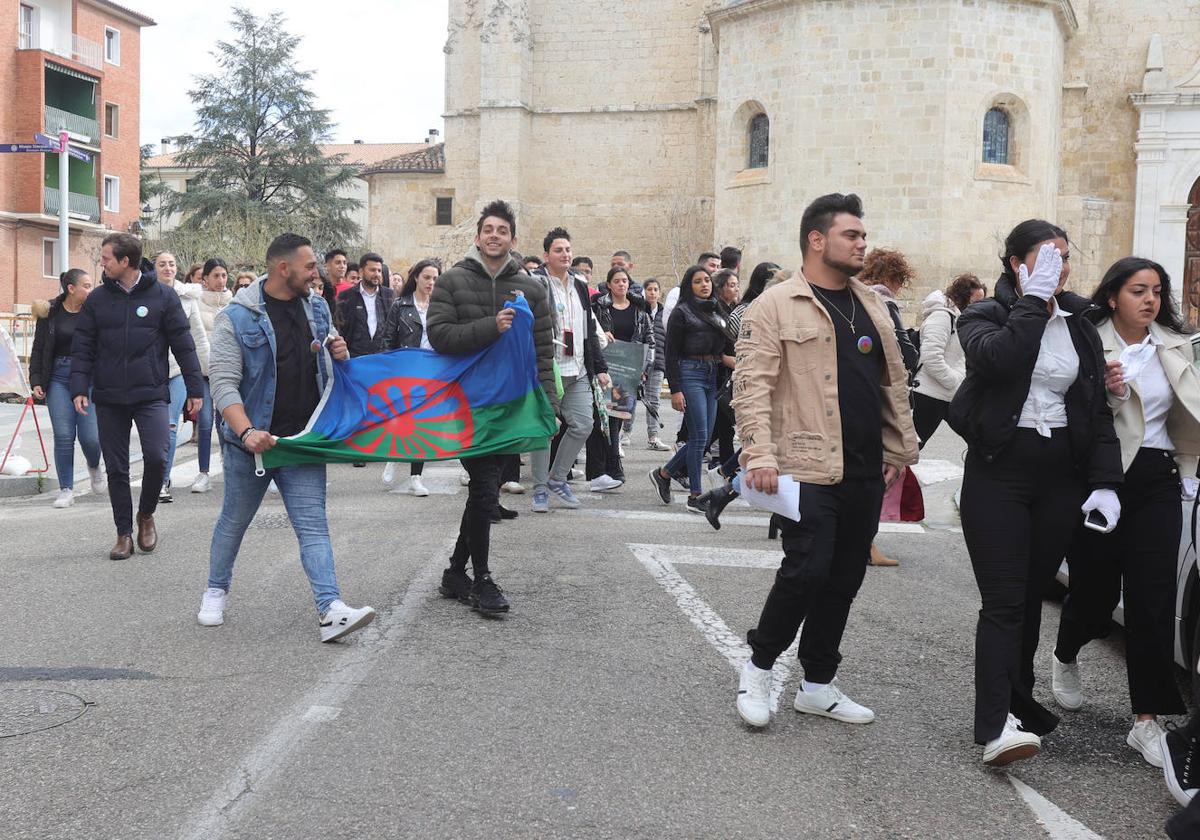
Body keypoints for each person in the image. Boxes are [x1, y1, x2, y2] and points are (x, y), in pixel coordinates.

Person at [729, 194, 917, 731]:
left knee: (844, 577)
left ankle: (817, 684)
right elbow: (751, 386)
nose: (863, 243)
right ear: (817, 240)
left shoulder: (873, 305)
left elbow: (889, 383)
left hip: (863, 466)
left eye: (863, 235)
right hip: (804, 464)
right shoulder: (776, 305)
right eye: (852, 235)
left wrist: (896, 449)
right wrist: (758, 453)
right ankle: (759, 667)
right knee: (806, 571)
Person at [948, 219, 1123, 766]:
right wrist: (1035, 299)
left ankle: (1017, 706)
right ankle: (996, 723)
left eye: (1064, 258)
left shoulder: (1081, 326)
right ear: (1014, 264)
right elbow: (999, 360)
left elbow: (1094, 413)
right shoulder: (987, 314)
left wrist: (1106, 484)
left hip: (1059, 480)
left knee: (1027, 600)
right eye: (1046, 258)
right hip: (999, 472)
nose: (1059, 267)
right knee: (1002, 602)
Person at [1050, 257, 1200, 767]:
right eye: (1139, 290)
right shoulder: (1087, 340)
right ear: (1113, 296)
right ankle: (1065, 652)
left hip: (1156, 478)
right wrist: (1111, 394)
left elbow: (1185, 413)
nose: (1150, 300)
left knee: (1152, 598)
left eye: (1157, 291)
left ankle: (1147, 720)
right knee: (1092, 593)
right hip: (1102, 477)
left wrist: (1189, 471)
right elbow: (1075, 413)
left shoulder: (1172, 345)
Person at [202, 232, 376, 641]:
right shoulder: (236, 317)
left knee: (313, 525)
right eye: (310, 266)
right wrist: (246, 432)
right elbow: (224, 384)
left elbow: (330, 372)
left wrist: (341, 356)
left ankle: (331, 608)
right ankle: (215, 589)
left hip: (300, 441)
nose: (317, 273)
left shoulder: (317, 308)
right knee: (234, 520)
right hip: (251, 443)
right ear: (284, 269)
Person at [426, 200, 556, 614]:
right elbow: (440, 335)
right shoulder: (452, 281)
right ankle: (481, 580)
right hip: (466, 401)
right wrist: (491, 326)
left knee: (485, 490)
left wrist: (548, 405)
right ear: (478, 237)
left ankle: (453, 572)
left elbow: (543, 353)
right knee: (484, 486)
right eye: (488, 229)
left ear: (513, 239)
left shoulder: (533, 289)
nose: (495, 235)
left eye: (502, 230)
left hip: (510, 404)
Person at [70, 233, 203, 560]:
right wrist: (78, 387)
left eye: (106, 258)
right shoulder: (98, 300)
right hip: (110, 395)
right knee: (116, 468)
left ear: (125, 261)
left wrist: (195, 388)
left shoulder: (162, 296)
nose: (102, 263)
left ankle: (146, 514)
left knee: (157, 457)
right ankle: (123, 534)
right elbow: (83, 346)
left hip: (151, 393)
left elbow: (183, 344)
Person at [529, 227, 611, 513]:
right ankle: (539, 489)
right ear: (546, 256)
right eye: (558, 250)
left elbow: (589, 327)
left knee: (583, 424)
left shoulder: (578, 284)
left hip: (577, 368)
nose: (565, 255)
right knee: (545, 429)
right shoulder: (536, 282)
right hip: (547, 369)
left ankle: (557, 478)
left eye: (568, 250)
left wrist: (599, 366)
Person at [648, 264, 734, 514]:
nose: (704, 284)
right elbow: (671, 352)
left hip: (712, 375)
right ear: (689, 285)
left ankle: (664, 473)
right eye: (698, 281)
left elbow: (725, 344)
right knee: (698, 437)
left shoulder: (717, 310)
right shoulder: (682, 312)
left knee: (704, 438)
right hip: (690, 372)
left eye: (707, 280)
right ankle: (695, 495)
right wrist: (675, 389)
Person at [857, 248, 921, 567]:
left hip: (855, 398)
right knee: (880, 472)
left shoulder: (853, 297)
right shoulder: (884, 300)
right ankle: (865, 543)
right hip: (879, 401)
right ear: (894, 277)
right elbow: (907, 355)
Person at [29, 269, 105, 508]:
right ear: (71, 289)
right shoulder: (49, 312)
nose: (90, 290)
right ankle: (66, 489)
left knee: (90, 437)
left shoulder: (95, 312)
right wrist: (36, 379)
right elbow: (39, 348)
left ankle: (94, 466)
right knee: (63, 436)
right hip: (58, 379)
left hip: (89, 378)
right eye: (86, 285)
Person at [590, 266, 655, 491]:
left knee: (617, 420)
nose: (621, 284)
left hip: (628, 371)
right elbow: (591, 334)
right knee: (601, 420)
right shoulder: (599, 308)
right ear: (609, 284)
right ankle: (603, 469)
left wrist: (644, 367)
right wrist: (601, 336)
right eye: (616, 281)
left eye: (624, 281)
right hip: (605, 370)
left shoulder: (639, 309)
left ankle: (614, 466)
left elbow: (650, 340)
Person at [380, 258, 441, 496]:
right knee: (402, 418)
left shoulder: (440, 306)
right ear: (416, 277)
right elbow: (387, 339)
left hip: (433, 371)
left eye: (435, 278)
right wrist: (387, 368)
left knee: (422, 423)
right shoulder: (401, 305)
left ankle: (416, 476)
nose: (431, 283)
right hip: (406, 369)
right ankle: (394, 456)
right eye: (427, 277)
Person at [155, 251, 211, 502]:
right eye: (162, 264)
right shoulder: (146, 294)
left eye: (172, 263)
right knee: (154, 429)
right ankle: (154, 473)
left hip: (177, 370)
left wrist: (208, 369)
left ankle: (162, 481)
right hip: (151, 370)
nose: (168, 268)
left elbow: (198, 337)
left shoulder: (188, 297)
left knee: (170, 425)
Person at [911, 273, 987, 446]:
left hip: (947, 395)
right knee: (910, 449)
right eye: (976, 301)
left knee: (978, 437)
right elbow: (931, 357)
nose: (979, 306)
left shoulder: (960, 319)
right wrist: (954, 382)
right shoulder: (942, 316)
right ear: (962, 297)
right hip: (929, 394)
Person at [188, 258, 233, 494]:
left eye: (224, 275)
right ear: (204, 279)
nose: (220, 280)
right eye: (215, 275)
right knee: (205, 422)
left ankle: (230, 466)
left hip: (227, 373)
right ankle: (203, 472)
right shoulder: (195, 302)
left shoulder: (234, 303)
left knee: (226, 423)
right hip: (202, 372)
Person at [335, 252, 394, 359]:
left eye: (379, 271)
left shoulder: (389, 295)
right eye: (372, 270)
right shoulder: (346, 296)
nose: (377, 274)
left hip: (382, 358)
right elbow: (340, 328)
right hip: (355, 358)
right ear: (361, 272)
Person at [642, 278, 670, 451]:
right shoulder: (638, 310)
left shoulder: (665, 313)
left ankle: (653, 436)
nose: (652, 292)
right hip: (640, 360)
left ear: (659, 293)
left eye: (655, 289)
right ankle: (626, 433)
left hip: (658, 361)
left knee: (654, 400)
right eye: (649, 289)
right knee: (628, 399)